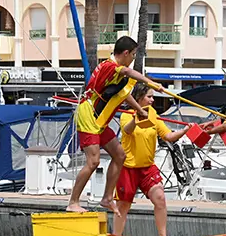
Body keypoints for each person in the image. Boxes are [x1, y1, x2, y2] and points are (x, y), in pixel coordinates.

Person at [67, 36, 166, 215]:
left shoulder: (115, 73)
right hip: (88, 115)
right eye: (133, 55)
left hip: (100, 119)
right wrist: (150, 83)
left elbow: (123, 94)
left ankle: (107, 198)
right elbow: (128, 73)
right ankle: (73, 202)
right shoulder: (109, 66)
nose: (133, 59)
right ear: (126, 53)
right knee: (93, 161)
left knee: (120, 155)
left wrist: (140, 110)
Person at [114, 84, 188, 236]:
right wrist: (137, 117)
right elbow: (127, 130)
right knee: (123, 205)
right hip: (128, 167)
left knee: (160, 198)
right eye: (149, 96)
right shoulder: (127, 114)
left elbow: (168, 135)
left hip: (147, 166)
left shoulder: (153, 113)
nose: (153, 100)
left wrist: (185, 131)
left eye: (153, 96)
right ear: (139, 98)